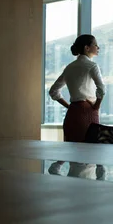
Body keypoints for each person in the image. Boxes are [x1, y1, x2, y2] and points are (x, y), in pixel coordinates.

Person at [47, 34, 106, 174]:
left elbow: (53, 91)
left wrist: (69, 106)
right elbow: (102, 89)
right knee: (87, 157)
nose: (98, 47)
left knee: (72, 153)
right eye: (95, 44)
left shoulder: (70, 67)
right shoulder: (92, 66)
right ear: (87, 48)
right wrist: (96, 106)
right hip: (88, 113)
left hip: (72, 114)